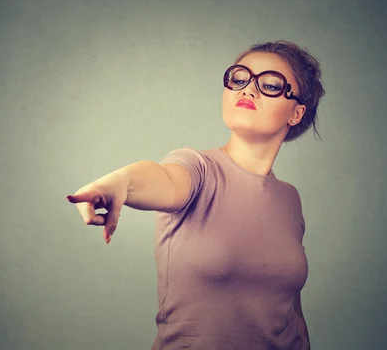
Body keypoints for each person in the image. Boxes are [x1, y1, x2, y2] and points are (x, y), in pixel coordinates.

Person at [67, 40, 326, 349]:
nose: (248, 89)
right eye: (239, 79)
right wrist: (121, 182)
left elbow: (291, 311)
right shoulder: (197, 169)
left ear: (296, 113)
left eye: (270, 84)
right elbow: (161, 177)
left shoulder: (289, 199)